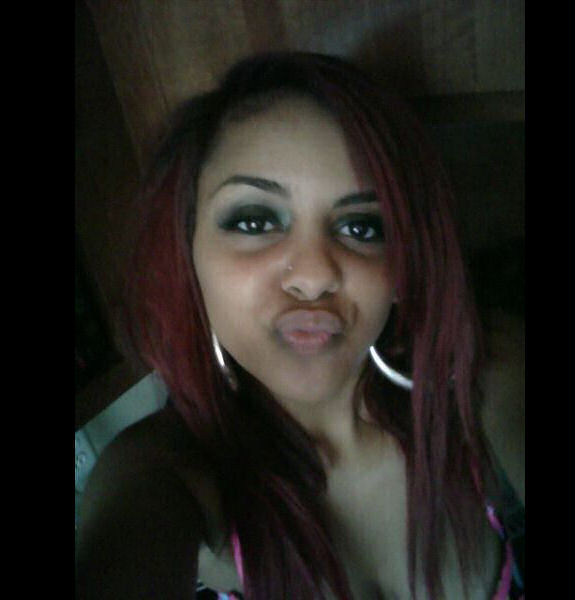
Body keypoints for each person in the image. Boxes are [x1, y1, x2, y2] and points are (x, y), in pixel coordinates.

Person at [75, 52, 524, 600]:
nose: (313, 278)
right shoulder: (164, 470)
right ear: (188, 257)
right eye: (254, 220)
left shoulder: (483, 380)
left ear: (404, 265)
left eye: (362, 227)